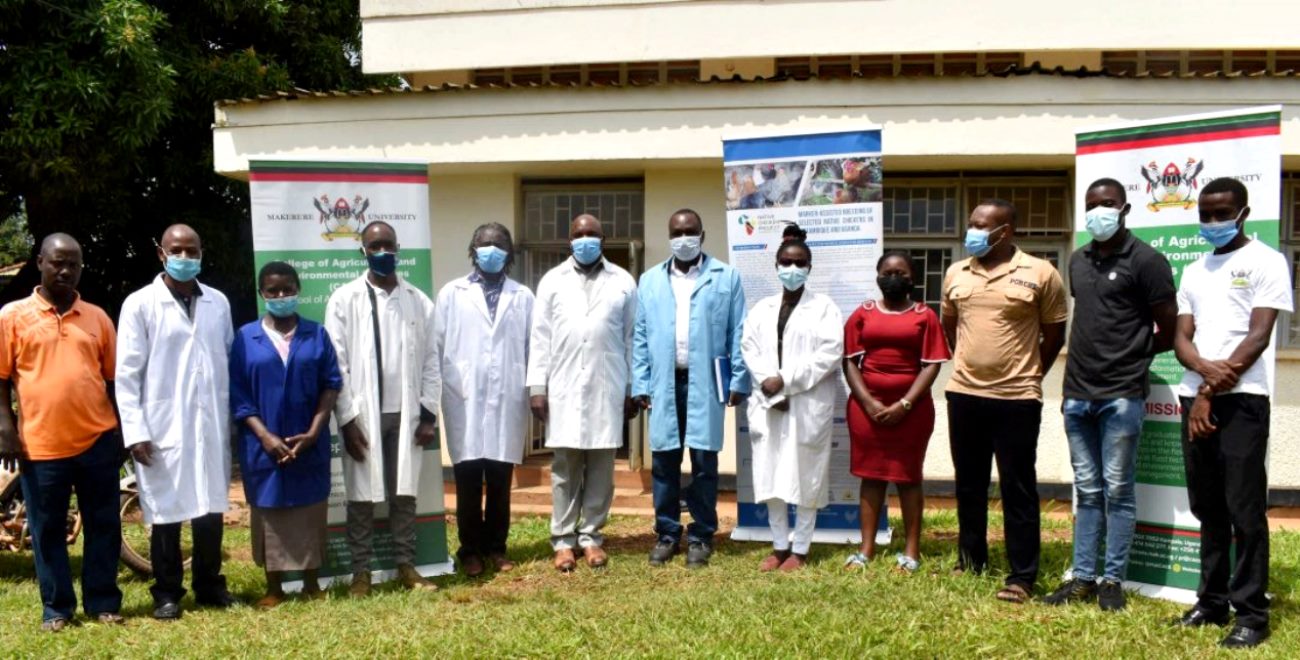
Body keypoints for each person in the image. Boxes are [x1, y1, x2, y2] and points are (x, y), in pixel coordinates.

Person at [1042, 178, 1177, 612]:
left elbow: (1170, 330)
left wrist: (1133, 355)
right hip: (1078, 391)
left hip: (1121, 393)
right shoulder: (1078, 261)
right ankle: (1082, 577)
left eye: (1108, 204)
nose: (1099, 211)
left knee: (1118, 489)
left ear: (1124, 208)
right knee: (1087, 489)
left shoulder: (1148, 261)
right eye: (1092, 204)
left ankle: (1112, 580)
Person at [1172, 178, 1292, 649]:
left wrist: (1208, 390)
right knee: (1208, 506)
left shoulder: (1266, 261)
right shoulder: (1194, 268)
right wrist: (1201, 376)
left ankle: (1252, 613)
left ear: (1243, 212)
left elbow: (1259, 336)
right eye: (1205, 214)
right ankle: (1212, 601)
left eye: (1222, 214)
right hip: (1195, 394)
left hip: (1242, 400)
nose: (1212, 222)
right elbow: (1182, 336)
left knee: (1244, 509)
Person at [941, 199, 1067, 604]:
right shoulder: (956, 272)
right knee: (969, 484)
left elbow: (1055, 335)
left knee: (1018, 488)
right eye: (971, 223)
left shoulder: (1041, 272)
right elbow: (949, 327)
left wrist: (1029, 375)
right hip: (964, 394)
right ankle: (970, 558)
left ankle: (1022, 575)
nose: (973, 230)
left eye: (982, 225)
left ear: (1006, 231)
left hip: (1016, 398)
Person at [0, 234, 123, 631]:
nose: (66, 270)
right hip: (40, 445)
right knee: (47, 529)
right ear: (40, 262)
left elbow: (114, 380)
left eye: (73, 263)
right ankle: (57, 609)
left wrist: (120, 434)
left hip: (97, 440)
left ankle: (103, 602)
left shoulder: (97, 318)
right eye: (57, 262)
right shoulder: (12, 316)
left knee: (104, 524)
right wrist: (4, 426)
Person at [117, 224, 237, 620]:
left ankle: (209, 585)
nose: (185, 257)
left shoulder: (217, 302)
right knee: (165, 512)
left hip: (210, 422)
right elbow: (127, 373)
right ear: (161, 253)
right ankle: (167, 592)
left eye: (192, 250)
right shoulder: (140, 304)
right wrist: (135, 431)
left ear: (202, 253)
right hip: (161, 426)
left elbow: (229, 359)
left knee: (210, 508)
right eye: (177, 250)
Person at [326, 220, 442, 596]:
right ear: (362, 250)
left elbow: (431, 361)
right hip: (362, 417)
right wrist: (347, 420)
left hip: (407, 416)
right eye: (374, 245)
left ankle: (406, 566)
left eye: (387, 245)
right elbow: (336, 365)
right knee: (361, 496)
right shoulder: (344, 299)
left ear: (398, 247)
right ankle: (361, 573)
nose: (382, 252)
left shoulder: (417, 300)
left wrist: (428, 414)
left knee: (403, 494)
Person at [632, 209, 749, 569]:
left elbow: (738, 331)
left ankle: (701, 535)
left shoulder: (725, 277)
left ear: (702, 234)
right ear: (669, 236)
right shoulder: (650, 280)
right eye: (677, 232)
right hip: (663, 383)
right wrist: (640, 381)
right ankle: (667, 534)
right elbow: (640, 335)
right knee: (665, 461)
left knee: (703, 461)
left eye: (690, 231)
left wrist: (738, 379)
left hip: (707, 382)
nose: (684, 238)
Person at [526, 213, 638, 572]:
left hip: (608, 385)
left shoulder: (622, 280)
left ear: (603, 240)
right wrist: (537, 388)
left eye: (592, 234)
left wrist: (632, 386)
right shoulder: (551, 281)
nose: (585, 239)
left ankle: (591, 538)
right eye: (579, 234)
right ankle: (563, 541)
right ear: (569, 239)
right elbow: (540, 337)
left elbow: (633, 337)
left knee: (602, 469)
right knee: (565, 468)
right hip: (563, 386)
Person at [230, 262, 343, 608]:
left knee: (310, 511)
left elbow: (332, 384)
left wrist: (314, 430)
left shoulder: (316, 333)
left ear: (298, 289)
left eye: (287, 289)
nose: (281, 296)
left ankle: (312, 583)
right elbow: (238, 394)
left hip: (308, 443)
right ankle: (274, 588)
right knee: (269, 513)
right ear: (262, 293)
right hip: (262, 446)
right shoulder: (246, 338)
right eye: (273, 290)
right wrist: (265, 436)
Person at [740, 224, 843, 572]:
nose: (793, 268)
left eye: (800, 263)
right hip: (770, 404)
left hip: (805, 403)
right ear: (776, 265)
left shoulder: (825, 308)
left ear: (810, 267)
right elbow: (749, 348)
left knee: (807, 474)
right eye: (786, 261)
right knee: (770, 475)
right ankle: (779, 544)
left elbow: (829, 354)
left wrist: (783, 381)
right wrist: (770, 387)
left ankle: (801, 547)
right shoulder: (762, 308)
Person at [435, 222, 534, 577]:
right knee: (467, 480)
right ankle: (469, 550)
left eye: (498, 244)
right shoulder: (451, 293)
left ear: (509, 253)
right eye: (484, 244)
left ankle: (496, 547)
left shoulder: (523, 296)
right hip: (464, 397)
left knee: (499, 480)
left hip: (507, 397)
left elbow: (533, 350)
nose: (491, 249)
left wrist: (535, 390)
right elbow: (437, 348)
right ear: (472, 250)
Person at [842, 250, 949, 574]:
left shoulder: (925, 315)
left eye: (900, 273)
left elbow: (932, 365)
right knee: (871, 477)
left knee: (908, 478)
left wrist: (904, 404)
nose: (893, 277)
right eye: (887, 271)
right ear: (877, 276)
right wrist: (870, 403)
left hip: (912, 412)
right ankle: (865, 550)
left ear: (911, 279)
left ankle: (912, 552)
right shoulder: (863, 313)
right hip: (866, 410)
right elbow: (849, 360)